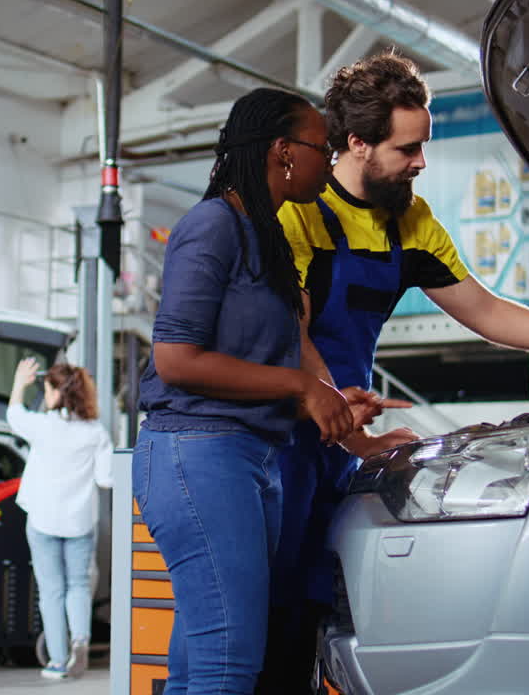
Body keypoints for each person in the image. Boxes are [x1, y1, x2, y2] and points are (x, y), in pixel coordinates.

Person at [257, 50, 529, 694]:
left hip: (338, 442)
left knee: (313, 615)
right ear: (357, 143)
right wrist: (356, 437)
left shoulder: (410, 221)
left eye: (424, 145)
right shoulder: (300, 213)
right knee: (263, 622)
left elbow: (483, 309)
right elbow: (291, 334)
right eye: (408, 148)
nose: (422, 162)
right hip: (281, 441)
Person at [135, 87, 393, 695]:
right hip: (199, 452)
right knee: (229, 664)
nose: (331, 162)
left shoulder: (266, 235)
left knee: (200, 666)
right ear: (283, 151)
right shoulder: (212, 226)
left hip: (251, 455)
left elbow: (281, 349)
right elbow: (175, 358)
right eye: (323, 149)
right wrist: (301, 386)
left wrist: (339, 412)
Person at [6, 358, 114, 680]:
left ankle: (57, 660)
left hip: (43, 520)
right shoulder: (96, 432)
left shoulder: (42, 426)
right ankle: (80, 639)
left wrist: (19, 383)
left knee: (51, 591)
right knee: (78, 585)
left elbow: (13, 415)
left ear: (56, 392)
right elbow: (106, 479)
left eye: (47, 389)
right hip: (79, 522)